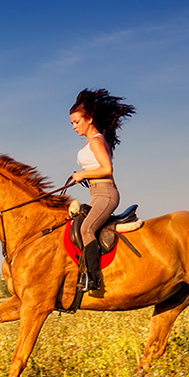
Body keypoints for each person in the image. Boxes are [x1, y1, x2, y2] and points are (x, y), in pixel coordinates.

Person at [70, 88, 135, 297]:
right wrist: (82, 175)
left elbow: (107, 169)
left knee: (87, 229)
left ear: (89, 119)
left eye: (76, 122)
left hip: (106, 195)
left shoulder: (97, 140)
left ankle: (93, 279)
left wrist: (83, 174)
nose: (74, 127)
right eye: (72, 123)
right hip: (96, 193)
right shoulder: (90, 142)